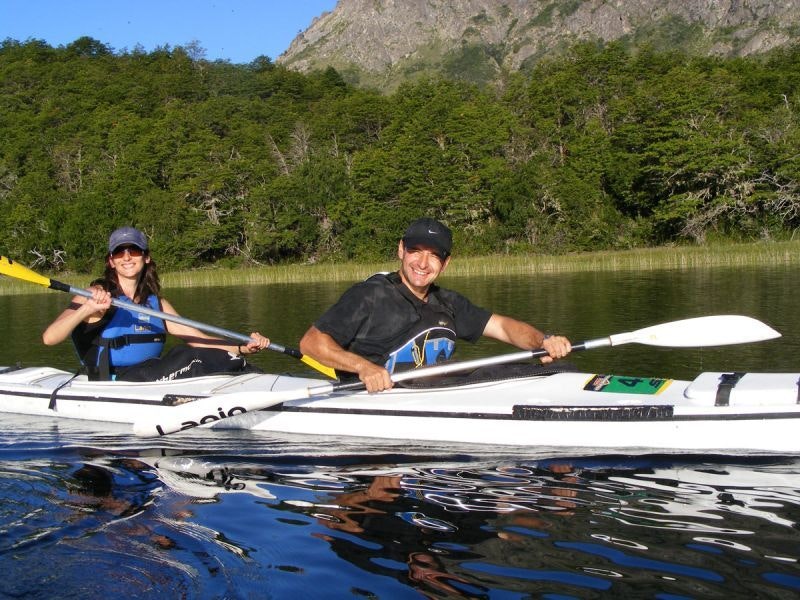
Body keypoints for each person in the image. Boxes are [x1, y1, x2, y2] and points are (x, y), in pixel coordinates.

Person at [299, 217, 571, 392]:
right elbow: (311, 343)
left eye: (433, 255)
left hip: (439, 392)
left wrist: (542, 341)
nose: (422, 263)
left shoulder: (448, 302)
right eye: (415, 251)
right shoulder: (369, 295)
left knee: (560, 370)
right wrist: (364, 367)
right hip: (379, 399)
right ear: (401, 250)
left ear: (445, 262)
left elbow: (502, 327)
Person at [42, 226, 269, 381]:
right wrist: (86, 309)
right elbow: (50, 338)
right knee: (192, 358)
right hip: (115, 381)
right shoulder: (94, 294)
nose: (127, 257)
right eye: (119, 252)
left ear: (146, 257)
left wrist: (242, 347)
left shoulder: (156, 303)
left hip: (151, 377)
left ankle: (258, 380)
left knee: (191, 352)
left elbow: (200, 340)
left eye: (133, 250)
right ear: (111, 261)